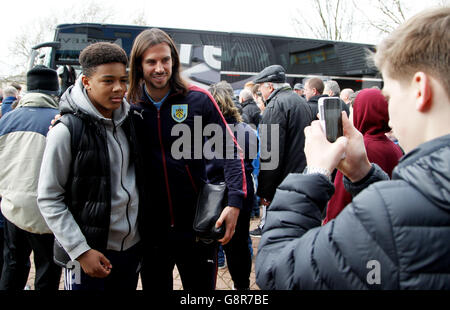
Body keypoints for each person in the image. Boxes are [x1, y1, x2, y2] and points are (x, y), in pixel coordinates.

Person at [255, 7, 450, 289]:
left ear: (420, 90)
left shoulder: (389, 211)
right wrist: (364, 175)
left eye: (391, 96)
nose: (391, 116)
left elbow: (275, 271)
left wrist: (315, 173)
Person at [126, 28, 245, 290]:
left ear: (174, 60)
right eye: (151, 62)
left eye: (165, 60)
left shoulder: (198, 98)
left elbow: (230, 150)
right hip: (149, 229)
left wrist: (235, 201)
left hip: (196, 225)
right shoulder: (128, 103)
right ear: (138, 65)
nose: (160, 68)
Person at [38, 42, 145, 290]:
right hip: (87, 256)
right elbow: (49, 198)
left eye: (123, 79)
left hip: (130, 252)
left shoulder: (132, 121)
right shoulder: (65, 131)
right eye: (108, 81)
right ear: (86, 82)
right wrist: (80, 250)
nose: (119, 88)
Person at [0, 65, 62, 290]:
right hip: (47, 212)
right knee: (47, 268)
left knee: (13, 265)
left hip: (12, 209)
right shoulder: (60, 120)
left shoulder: (6, 120)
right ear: (55, 91)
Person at [323, 88, 404, 224]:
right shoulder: (395, 148)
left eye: (353, 110)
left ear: (362, 112)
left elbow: (339, 203)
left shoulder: (358, 148)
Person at [250, 65, 313, 237]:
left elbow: (270, 155)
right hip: (301, 180)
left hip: (282, 186)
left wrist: (265, 192)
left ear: (270, 87)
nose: (261, 92)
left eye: (261, 87)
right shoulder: (301, 102)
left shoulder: (275, 106)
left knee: (279, 236)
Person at [207, 81, 257, 290]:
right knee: (239, 244)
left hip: (214, 194)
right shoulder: (247, 130)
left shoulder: (205, 132)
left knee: (211, 245)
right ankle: (242, 287)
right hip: (243, 193)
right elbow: (254, 158)